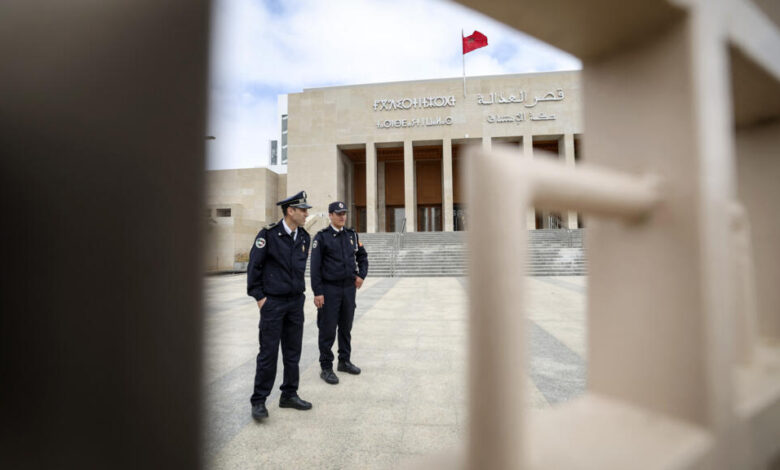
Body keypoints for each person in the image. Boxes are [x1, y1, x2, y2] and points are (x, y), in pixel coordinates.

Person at [247, 191, 313, 420]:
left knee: (293, 352)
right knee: (268, 353)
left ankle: (289, 394)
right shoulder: (268, 235)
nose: (306, 214)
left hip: (295, 302)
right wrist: (260, 298)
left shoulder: (304, 237)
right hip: (273, 303)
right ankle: (259, 401)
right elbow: (254, 267)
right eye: (302, 210)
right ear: (290, 211)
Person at [310, 201, 368, 385]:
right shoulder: (322, 238)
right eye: (338, 213)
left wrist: (361, 275)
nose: (342, 216)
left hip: (348, 289)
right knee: (327, 329)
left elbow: (362, 256)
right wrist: (318, 292)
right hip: (329, 290)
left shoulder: (351, 235)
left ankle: (344, 361)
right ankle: (326, 367)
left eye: (344, 213)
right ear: (330, 215)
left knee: (345, 327)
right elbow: (315, 268)